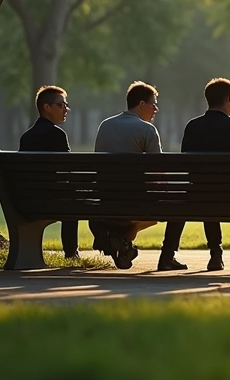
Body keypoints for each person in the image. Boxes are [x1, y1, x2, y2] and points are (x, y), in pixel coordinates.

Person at [161, 78, 230, 272]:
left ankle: (192, 255)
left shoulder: (192, 127)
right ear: (229, 99)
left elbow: (187, 164)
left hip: (198, 195)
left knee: (200, 191)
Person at [91, 81, 163, 269]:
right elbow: (158, 170)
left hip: (103, 199)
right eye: (153, 103)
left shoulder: (105, 125)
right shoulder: (147, 130)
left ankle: (119, 241)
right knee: (162, 206)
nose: (156, 108)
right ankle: (122, 239)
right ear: (141, 104)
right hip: (134, 202)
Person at [18, 85, 78, 259]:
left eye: (66, 105)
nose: (66, 109)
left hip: (26, 200)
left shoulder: (27, 136)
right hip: (54, 201)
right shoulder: (57, 135)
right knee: (73, 199)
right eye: (61, 105)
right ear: (46, 107)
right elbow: (68, 171)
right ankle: (71, 252)